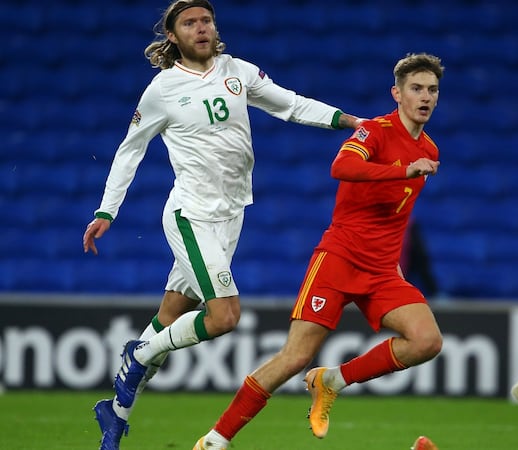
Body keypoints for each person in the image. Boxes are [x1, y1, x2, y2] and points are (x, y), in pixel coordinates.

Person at [81, 1, 363, 449]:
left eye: (206, 20)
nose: (201, 28)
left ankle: (114, 415)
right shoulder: (162, 89)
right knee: (225, 316)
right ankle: (137, 355)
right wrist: (105, 211)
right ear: (173, 35)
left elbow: (288, 104)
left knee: (171, 315)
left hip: (232, 215)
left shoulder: (237, 71)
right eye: (189, 23)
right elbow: (130, 149)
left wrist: (350, 122)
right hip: (191, 215)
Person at [193, 52, 445, 450]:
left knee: (427, 341)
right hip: (340, 259)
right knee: (294, 357)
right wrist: (403, 169)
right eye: (416, 89)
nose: (425, 97)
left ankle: (332, 381)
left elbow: (395, 216)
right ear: (397, 93)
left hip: (381, 271)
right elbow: (341, 167)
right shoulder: (375, 132)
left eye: (432, 90)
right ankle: (215, 439)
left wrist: (393, 264)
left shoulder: (429, 147)